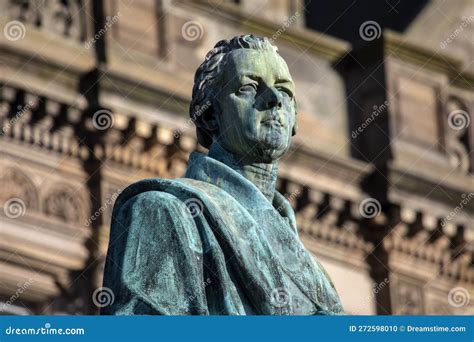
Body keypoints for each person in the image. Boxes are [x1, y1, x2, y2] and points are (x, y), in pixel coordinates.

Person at [102, 35, 344, 315]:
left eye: (284, 91)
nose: (274, 99)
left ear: (295, 120)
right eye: (249, 87)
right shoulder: (163, 211)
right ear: (209, 116)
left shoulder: (318, 275)